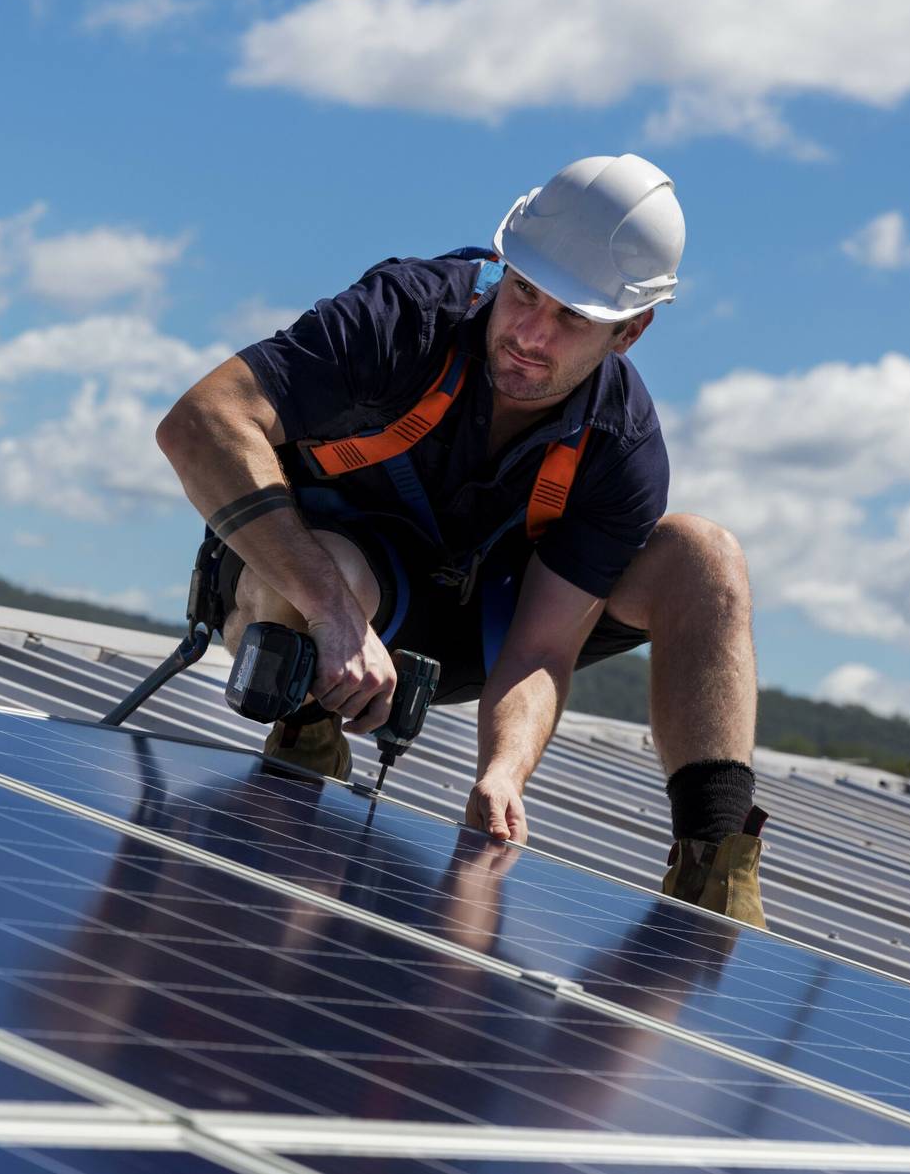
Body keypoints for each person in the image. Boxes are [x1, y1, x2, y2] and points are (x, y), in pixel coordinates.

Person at [154, 155, 766, 925]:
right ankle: (306, 733)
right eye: (524, 293)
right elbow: (201, 421)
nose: (530, 335)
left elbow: (542, 649)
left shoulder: (622, 447)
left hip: (479, 629)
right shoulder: (405, 316)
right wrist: (335, 613)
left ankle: (715, 879)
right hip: (320, 595)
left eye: (572, 318)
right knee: (336, 573)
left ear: (631, 331)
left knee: (704, 557)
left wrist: (504, 772)